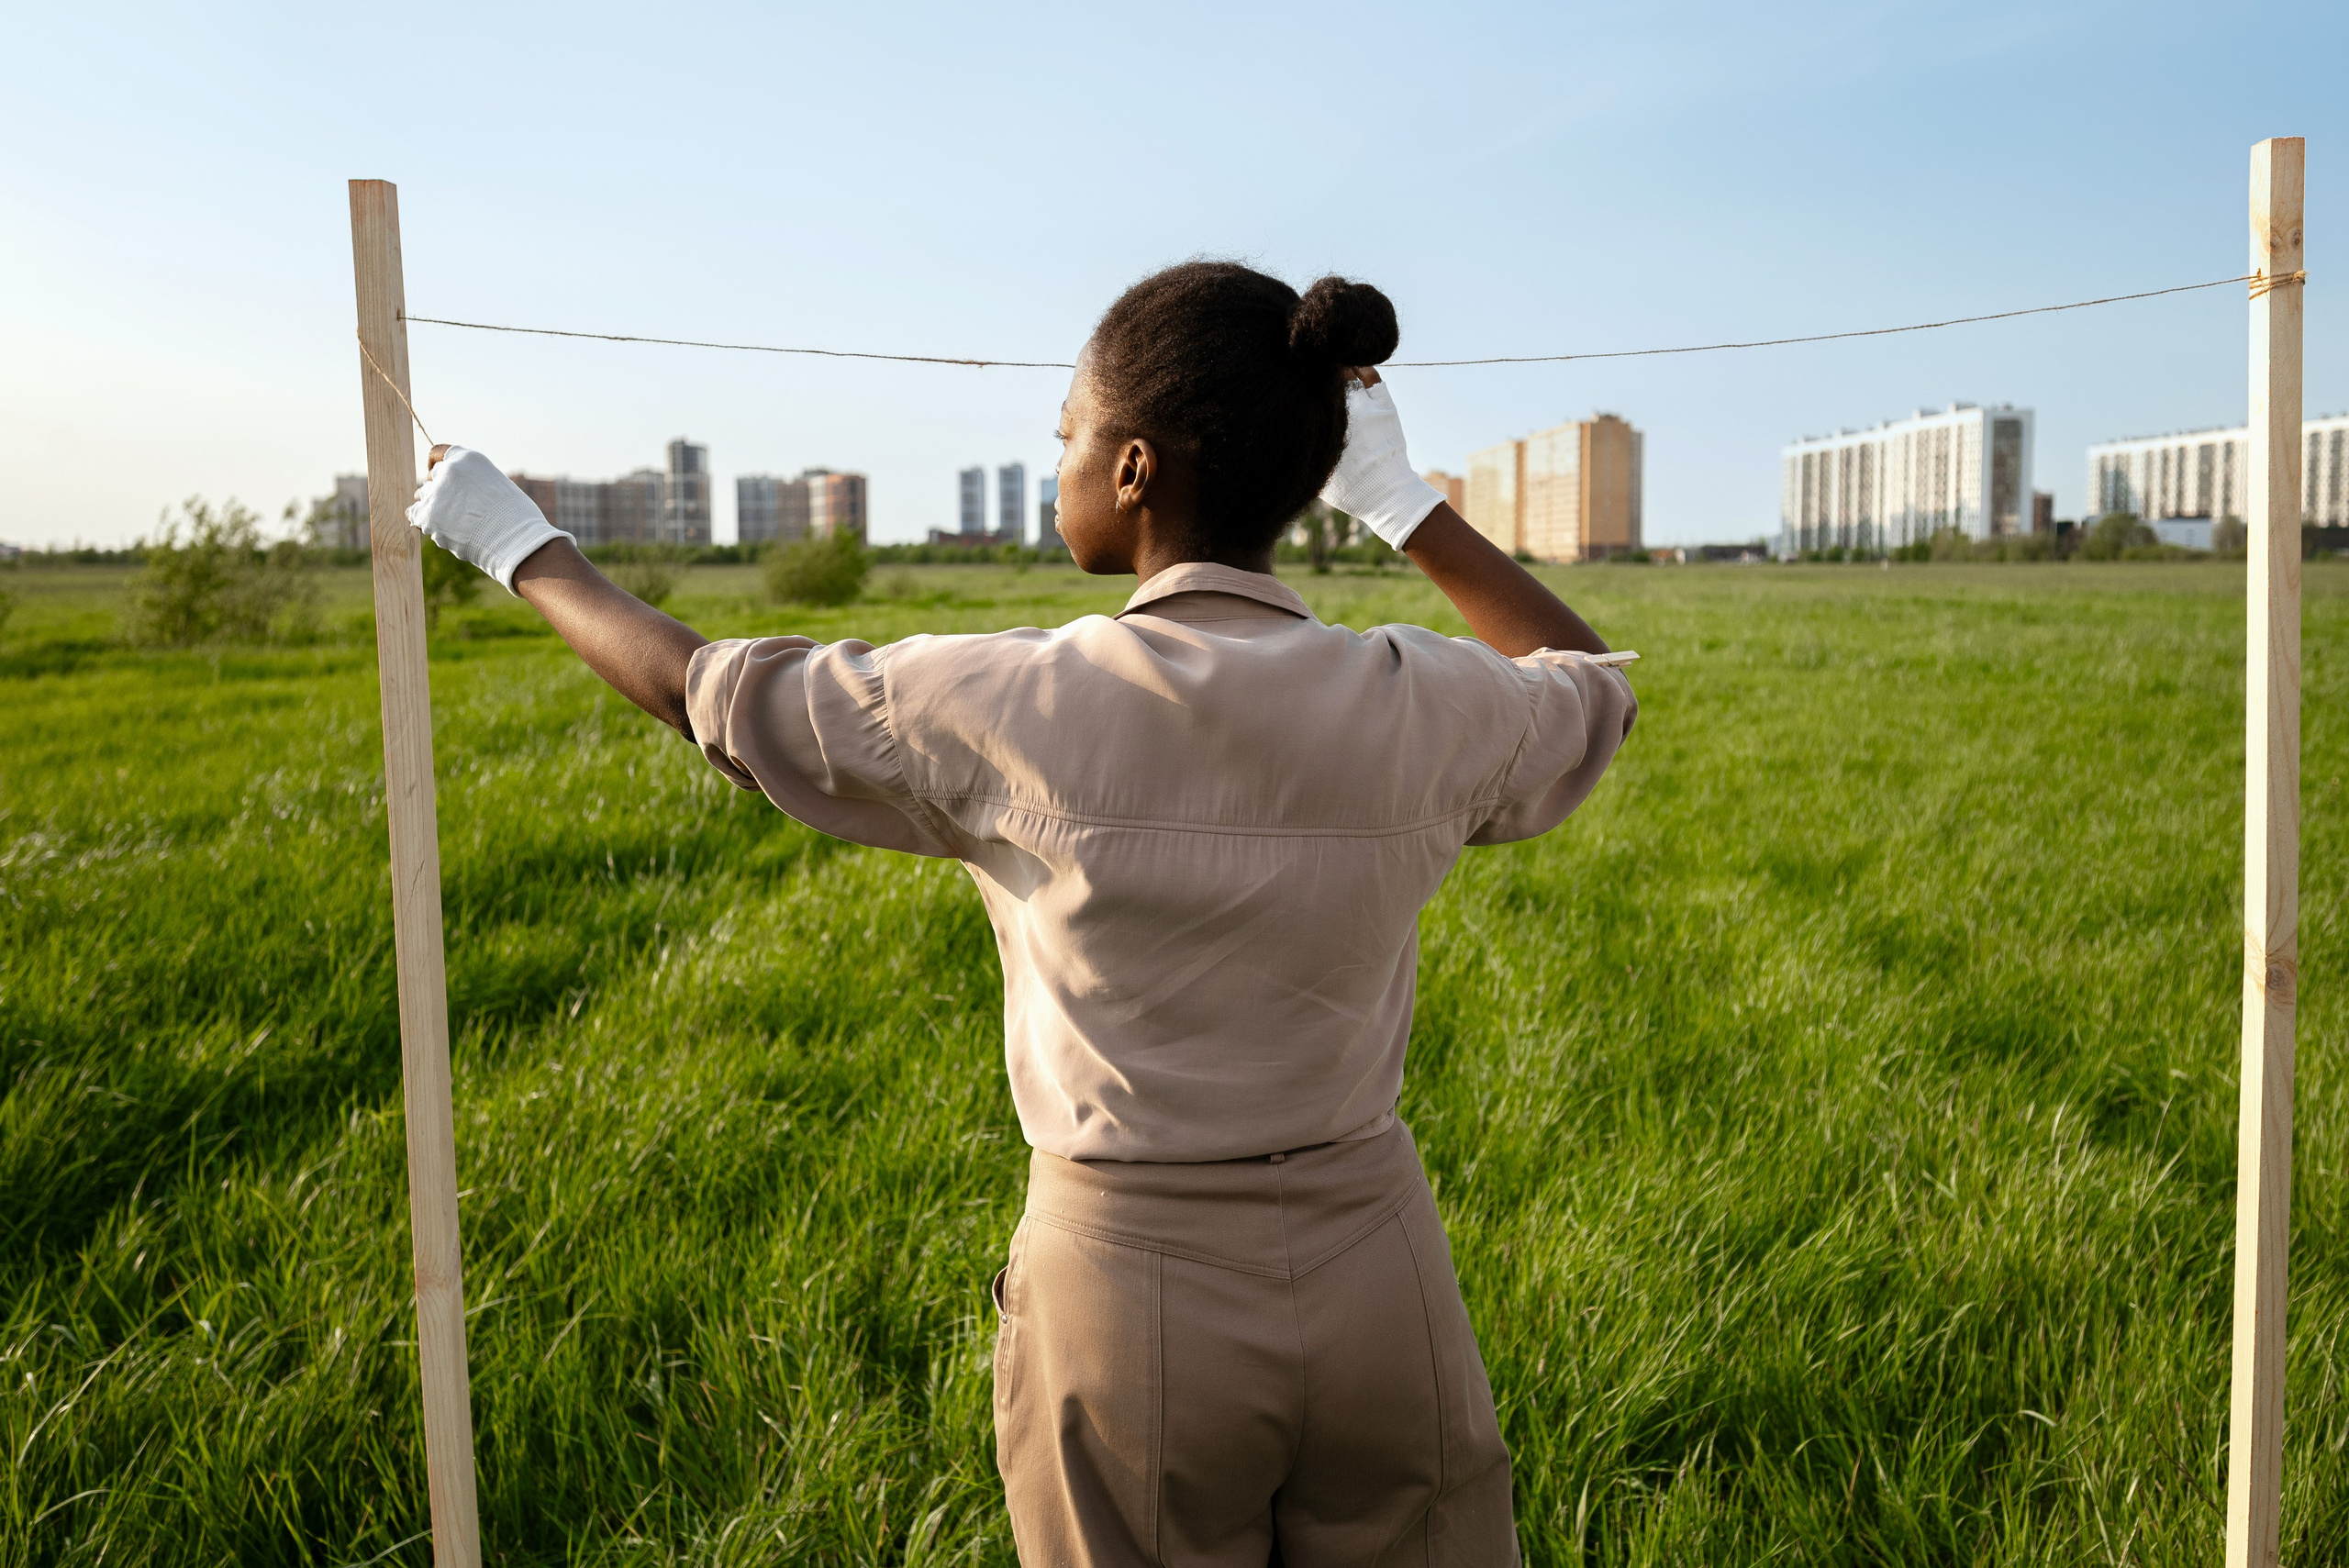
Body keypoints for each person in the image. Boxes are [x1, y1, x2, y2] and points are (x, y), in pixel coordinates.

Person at [408, 261, 1635, 1566]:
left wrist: (523, 546)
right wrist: (1401, 501)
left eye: (1069, 432)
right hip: (1384, 1271)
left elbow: (701, 692)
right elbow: (1592, 686)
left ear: (1134, 469)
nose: (1059, 455)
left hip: (1131, 1280)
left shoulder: (1010, 700)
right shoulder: (1416, 698)